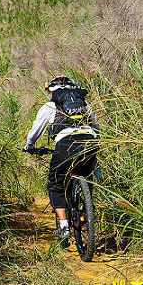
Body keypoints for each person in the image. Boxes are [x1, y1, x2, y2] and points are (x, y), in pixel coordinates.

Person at [24, 76, 100, 239]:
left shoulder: (50, 106)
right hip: (90, 141)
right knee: (88, 174)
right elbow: (97, 128)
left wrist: (29, 147)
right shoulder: (84, 104)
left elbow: (35, 132)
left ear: (52, 92)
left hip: (66, 144)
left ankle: (64, 226)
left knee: (56, 184)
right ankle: (88, 209)